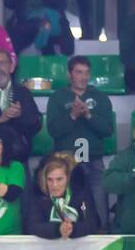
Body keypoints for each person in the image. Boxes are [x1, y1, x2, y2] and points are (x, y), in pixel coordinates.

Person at [46, 56, 116, 230]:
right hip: (65, 162)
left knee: (100, 207)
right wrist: (72, 116)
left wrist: (89, 115)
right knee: (67, 208)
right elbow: (53, 131)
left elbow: (108, 130)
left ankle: (103, 235)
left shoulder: (100, 98)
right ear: (70, 74)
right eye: (79, 72)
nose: (83, 77)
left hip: (93, 160)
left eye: (86, 73)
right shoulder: (58, 97)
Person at [25, 153, 95, 239]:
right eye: (50, 179)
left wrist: (71, 228)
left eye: (59, 179)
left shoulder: (80, 194)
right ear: (44, 179)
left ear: (67, 178)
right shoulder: (38, 195)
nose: (55, 185)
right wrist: (58, 229)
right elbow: (33, 226)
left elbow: (90, 223)